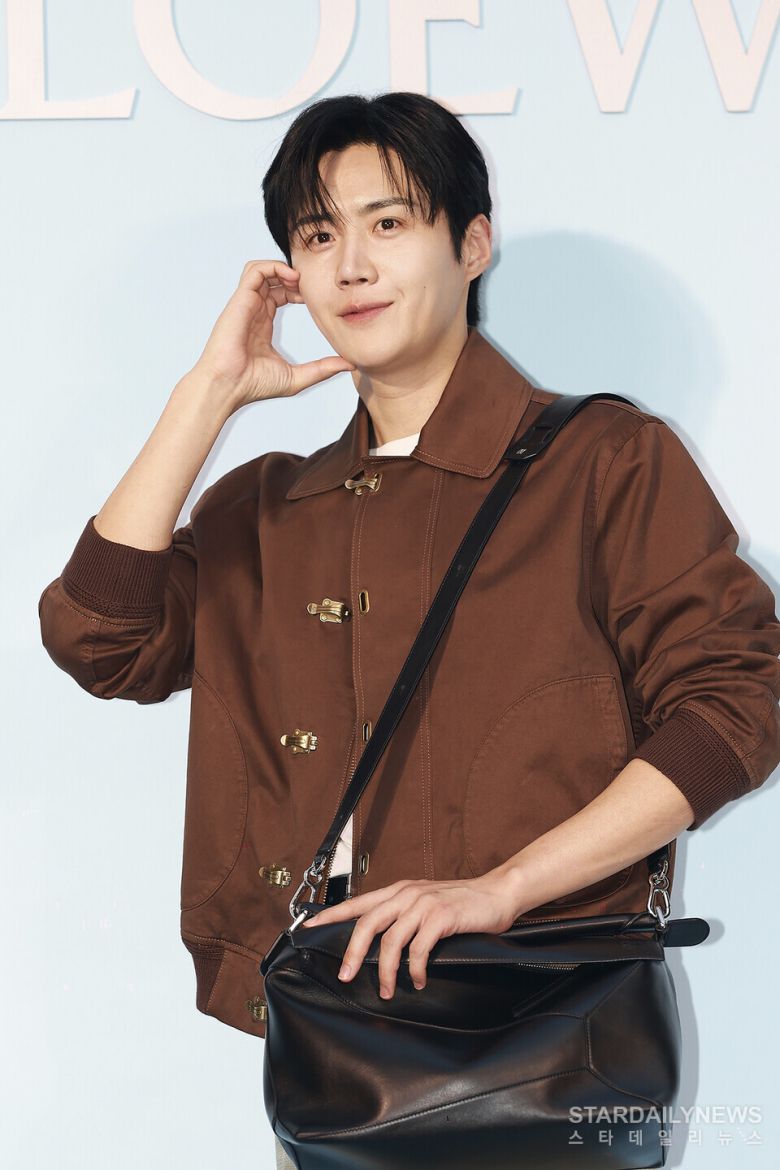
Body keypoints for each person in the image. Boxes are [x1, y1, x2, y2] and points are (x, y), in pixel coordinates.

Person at [38, 93, 780, 1170]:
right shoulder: (263, 508)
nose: (351, 266)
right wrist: (209, 394)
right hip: (336, 1061)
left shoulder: (606, 462)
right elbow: (96, 640)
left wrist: (505, 887)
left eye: (388, 223)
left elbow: (738, 703)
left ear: (472, 244)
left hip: (546, 1037)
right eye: (316, 236)